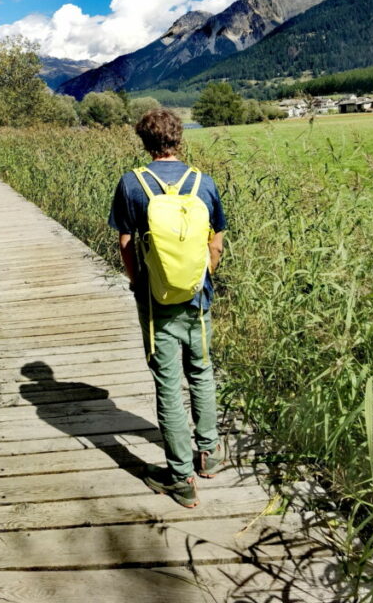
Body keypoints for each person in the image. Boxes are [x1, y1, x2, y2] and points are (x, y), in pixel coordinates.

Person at [108, 108, 226, 508]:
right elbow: (216, 242)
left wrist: (138, 282)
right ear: (179, 138)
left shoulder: (131, 183)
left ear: (144, 142)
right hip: (198, 297)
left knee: (168, 383)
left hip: (156, 301)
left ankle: (180, 478)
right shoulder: (203, 183)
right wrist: (200, 278)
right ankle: (208, 454)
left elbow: (126, 242)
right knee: (202, 371)